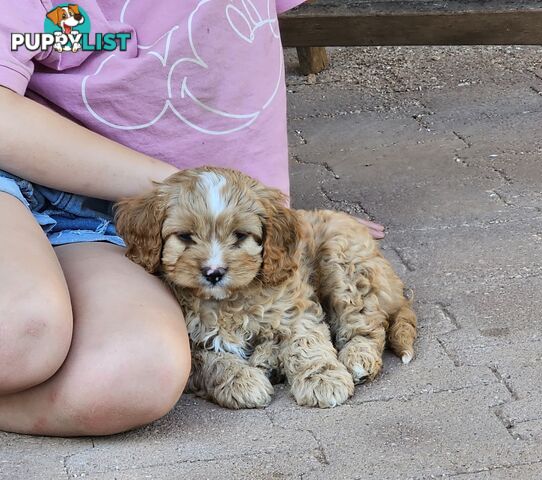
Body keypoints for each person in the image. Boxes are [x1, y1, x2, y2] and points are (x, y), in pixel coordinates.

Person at [0, 0, 384, 437]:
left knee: (135, 375)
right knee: (22, 333)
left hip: (122, 219)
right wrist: (189, 191)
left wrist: (269, 218)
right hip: (21, 177)